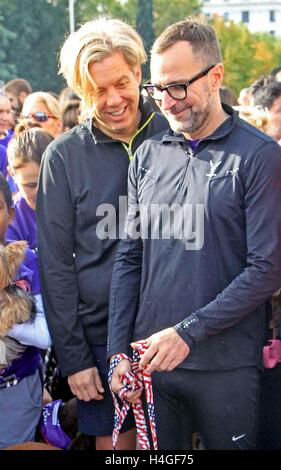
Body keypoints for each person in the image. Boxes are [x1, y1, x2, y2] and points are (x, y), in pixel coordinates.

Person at [108, 19, 281, 450]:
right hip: (152, 365)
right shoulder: (147, 154)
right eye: (156, 89)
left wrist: (187, 332)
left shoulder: (258, 156)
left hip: (225, 368)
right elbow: (129, 257)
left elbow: (266, 269)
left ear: (216, 77)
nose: (166, 103)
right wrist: (118, 351)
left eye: (177, 87)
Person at [36, 17, 168, 450]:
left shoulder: (177, 136)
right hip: (98, 338)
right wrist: (75, 358)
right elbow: (55, 265)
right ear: (80, 92)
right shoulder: (63, 157)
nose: (113, 100)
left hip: (174, 330)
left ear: (138, 74)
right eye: (97, 91)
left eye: (120, 84)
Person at [0, 173, 51, 448]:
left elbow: (45, 336)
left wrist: (7, 323)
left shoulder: (27, 262)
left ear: (10, 214)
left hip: (15, 387)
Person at [6, 127, 53, 252]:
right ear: (12, 174)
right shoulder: (11, 219)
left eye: (48, 182)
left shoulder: (77, 204)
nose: (41, 191)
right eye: (31, 185)